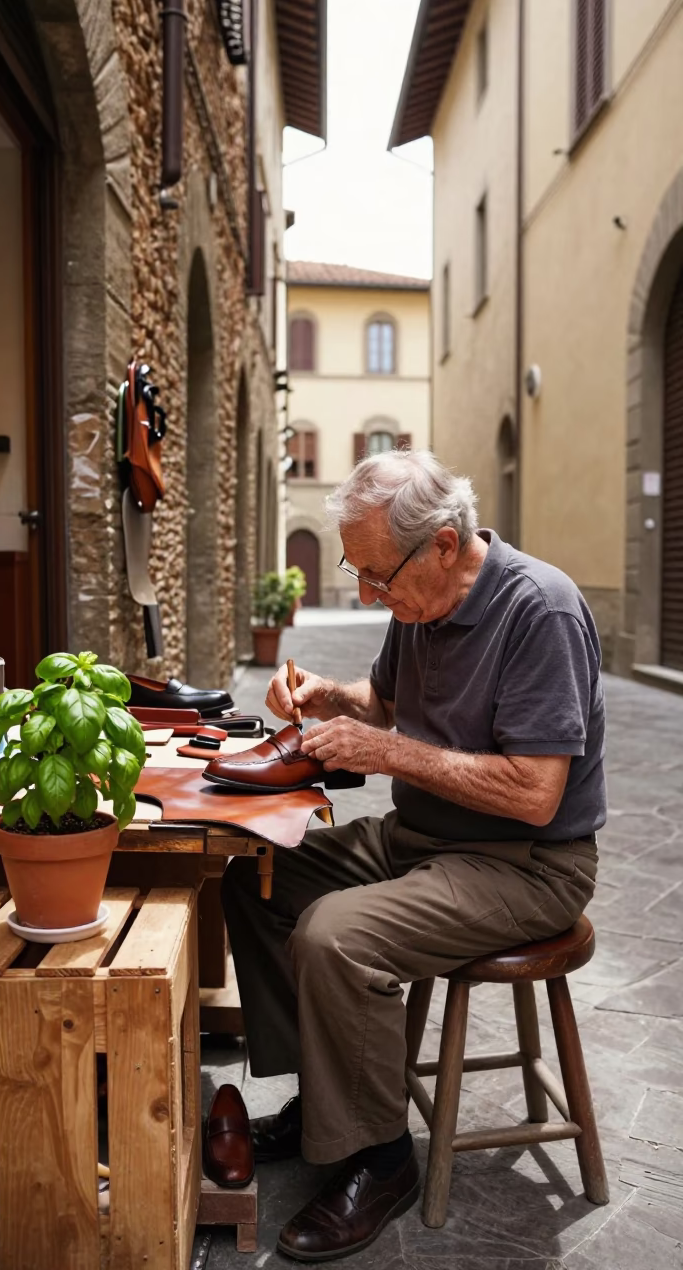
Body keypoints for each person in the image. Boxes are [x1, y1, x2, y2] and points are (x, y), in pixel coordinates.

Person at [221, 450, 605, 1262]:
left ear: (440, 543)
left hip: (527, 863)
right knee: (256, 878)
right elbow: (384, 704)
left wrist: (388, 754)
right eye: (358, 576)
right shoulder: (419, 601)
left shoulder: (543, 612)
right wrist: (330, 695)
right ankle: (326, 1101)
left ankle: (382, 1159)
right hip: (423, 839)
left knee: (335, 935)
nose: (367, 595)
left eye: (375, 576)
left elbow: (536, 793)